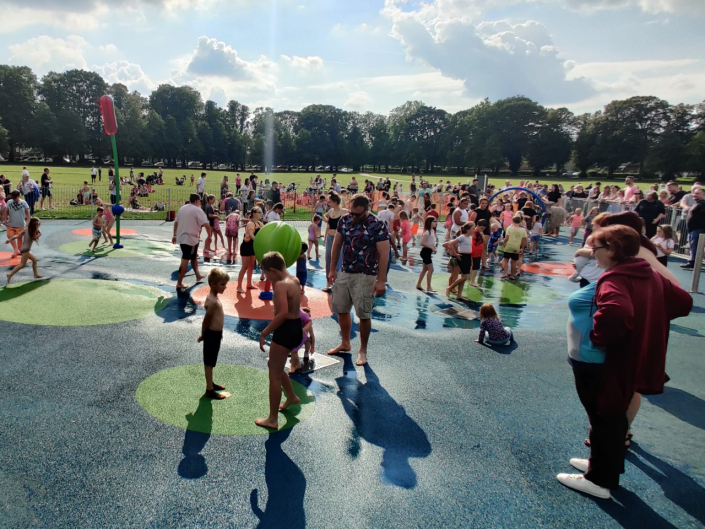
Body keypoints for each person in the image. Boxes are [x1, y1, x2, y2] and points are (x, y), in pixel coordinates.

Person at [557, 225, 693, 499]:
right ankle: (603, 464)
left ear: (613, 250)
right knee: (612, 416)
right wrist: (648, 319)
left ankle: (599, 480)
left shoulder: (616, 279)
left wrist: (598, 336)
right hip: (622, 361)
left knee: (603, 416)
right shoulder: (646, 272)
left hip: (600, 362)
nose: (593, 254)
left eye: (597, 249)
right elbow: (682, 302)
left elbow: (617, 314)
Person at [327, 193, 390, 367]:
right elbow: (337, 244)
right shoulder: (345, 220)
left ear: (367, 210)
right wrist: (332, 269)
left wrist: (381, 280)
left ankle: (363, 350)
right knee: (341, 308)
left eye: (358, 214)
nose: (353, 217)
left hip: (366, 274)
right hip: (345, 271)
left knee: (363, 313)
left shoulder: (377, 225)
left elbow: (384, 254)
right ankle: (345, 342)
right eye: (352, 213)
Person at [256, 252, 303, 430]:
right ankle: (291, 396)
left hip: (285, 330)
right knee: (273, 364)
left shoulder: (281, 286)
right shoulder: (294, 280)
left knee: (274, 376)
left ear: (273, 270)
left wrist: (265, 332)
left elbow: (282, 313)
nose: (267, 277)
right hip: (296, 328)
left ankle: (272, 419)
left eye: (267, 274)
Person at [197, 268, 230, 399]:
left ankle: (211, 382)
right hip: (211, 335)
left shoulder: (214, 298)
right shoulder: (212, 301)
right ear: (213, 285)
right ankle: (209, 390)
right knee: (209, 362)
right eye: (222, 284)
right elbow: (206, 321)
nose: (225, 287)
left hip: (215, 334)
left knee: (212, 360)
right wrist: (203, 335)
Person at [173, 194, 211, 289]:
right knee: (185, 259)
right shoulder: (197, 210)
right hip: (190, 239)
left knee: (193, 257)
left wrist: (174, 235)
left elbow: (176, 222)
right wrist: (209, 236)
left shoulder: (183, 208)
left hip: (185, 238)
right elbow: (206, 225)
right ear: (197, 200)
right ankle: (179, 282)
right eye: (200, 200)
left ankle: (197, 275)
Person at [322, 192, 348, 292]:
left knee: (339, 260)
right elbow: (325, 215)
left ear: (336, 202)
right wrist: (326, 219)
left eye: (330, 202)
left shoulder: (344, 212)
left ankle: (337, 283)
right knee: (328, 259)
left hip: (339, 239)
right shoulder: (331, 211)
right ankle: (328, 282)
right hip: (330, 237)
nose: (328, 204)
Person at [5, 217, 43, 284]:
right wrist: (39, 234)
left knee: (34, 261)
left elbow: (17, 236)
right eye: (38, 225)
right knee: (22, 264)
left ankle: (35, 274)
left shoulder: (26, 229)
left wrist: (9, 240)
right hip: (26, 250)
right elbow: (35, 238)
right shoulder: (32, 232)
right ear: (35, 225)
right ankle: (10, 274)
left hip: (24, 249)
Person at [444, 222, 474, 301]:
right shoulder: (462, 237)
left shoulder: (469, 238)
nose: (474, 230)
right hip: (462, 256)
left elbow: (470, 249)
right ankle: (450, 288)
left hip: (467, 256)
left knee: (463, 277)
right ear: (467, 230)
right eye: (472, 229)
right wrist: (455, 253)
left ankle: (459, 295)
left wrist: (471, 260)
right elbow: (451, 243)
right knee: (465, 277)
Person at [237, 207, 263, 292]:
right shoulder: (250, 224)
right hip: (247, 246)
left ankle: (249, 284)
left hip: (253, 246)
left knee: (251, 265)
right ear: (254, 213)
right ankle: (239, 286)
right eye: (259, 212)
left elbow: (265, 231)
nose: (261, 214)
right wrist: (259, 241)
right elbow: (251, 235)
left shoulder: (259, 223)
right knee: (245, 267)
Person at [681, 187, 705, 270]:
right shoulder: (697, 203)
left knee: (695, 246)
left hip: (699, 229)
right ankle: (693, 261)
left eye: (698, 193)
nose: (695, 195)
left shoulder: (703, 204)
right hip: (693, 229)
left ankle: (693, 262)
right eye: (694, 193)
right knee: (693, 246)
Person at [3, 191, 31, 257]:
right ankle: (15, 249)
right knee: (10, 236)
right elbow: (6, 211)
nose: (14, 199)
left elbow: (27, 214)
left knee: (19, 238)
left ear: (19, 196)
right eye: (13, 198)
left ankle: (19, 249)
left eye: (15, 198)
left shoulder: (23, 203)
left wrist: (27, 223)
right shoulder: (9, 202)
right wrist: (5, 220)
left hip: (20, 224)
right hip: (11, 223)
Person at [500, 215, 526, 280]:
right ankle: (512, 275)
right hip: (516, 247)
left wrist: (503, 243)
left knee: (506, 260)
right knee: (513, 262)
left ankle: (505, 273)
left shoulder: (509, 228)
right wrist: (522, 248)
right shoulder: (523, 230)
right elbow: (523, 240)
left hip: (509, 246)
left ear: (512, 221)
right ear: (520, 221)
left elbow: (506, 238)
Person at [415, 216, 437, 292]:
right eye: (434, 221)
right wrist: (431, 247)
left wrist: (433, 247)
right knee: (431, 269)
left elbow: (431, 241)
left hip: (428, 251)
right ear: (429, 222)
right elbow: (423, 242)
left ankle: (418, 284)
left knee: (424, 269)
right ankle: (428, 287)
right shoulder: (427, 232)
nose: (436, 223)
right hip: (425, 252)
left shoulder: (432, 231)